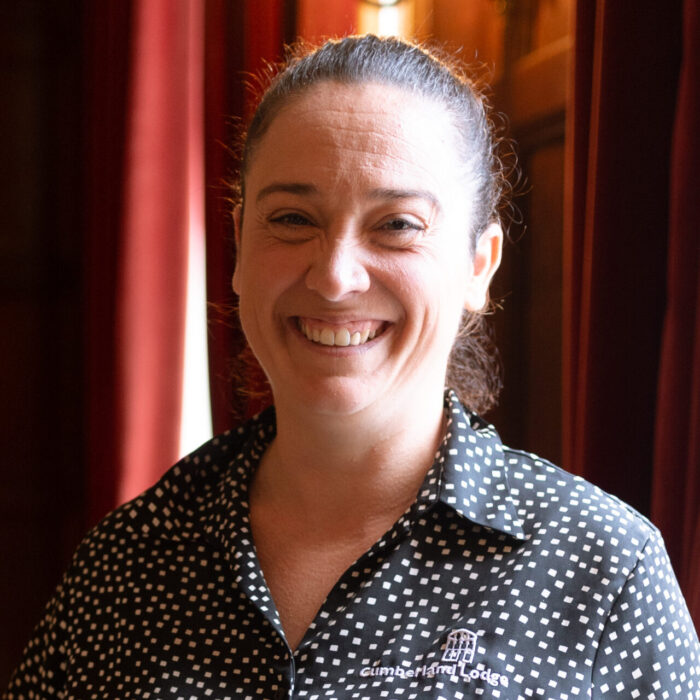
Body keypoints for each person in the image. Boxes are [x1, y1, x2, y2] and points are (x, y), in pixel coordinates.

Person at [5, 35, 699, 700]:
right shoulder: (126, 564)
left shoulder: (604, 570)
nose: (335, 277)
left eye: (396, 224)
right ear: (240, 246)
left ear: (478, 265)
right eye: (292, 219)